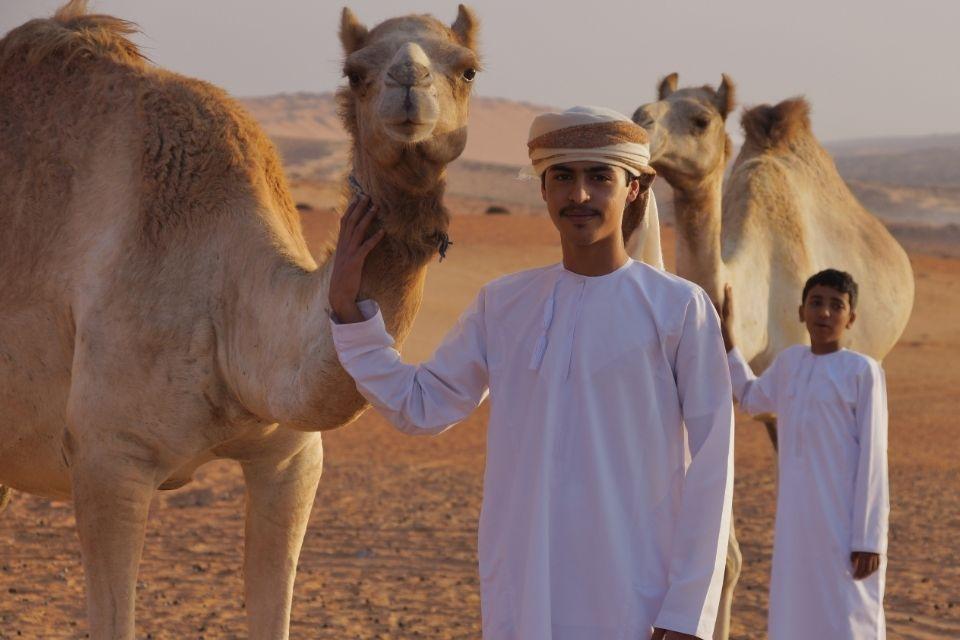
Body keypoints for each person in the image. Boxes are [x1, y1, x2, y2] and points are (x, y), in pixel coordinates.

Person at [329, 106, 734, 640]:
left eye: (599, 177)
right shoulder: (504, 304)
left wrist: (686, 613)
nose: (579, 196)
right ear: (543, 190)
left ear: (635, 189)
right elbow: (422, 406)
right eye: (562, 176)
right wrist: (349, 313)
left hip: (636, 597)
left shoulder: (679, 308)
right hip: (524, 594)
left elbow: (713, 464)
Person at [719, 269, 889, 639]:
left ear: (851, 317)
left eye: (835, 305)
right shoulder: (790, 363)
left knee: (849, 613)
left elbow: (874, 459)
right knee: (796, 613)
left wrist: (869, 539)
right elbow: (749, 397)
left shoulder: (863, 372)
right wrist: (727, 336)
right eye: (816, 303)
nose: (824, 313)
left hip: (845, 524)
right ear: (801, 312)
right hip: (797, 523)